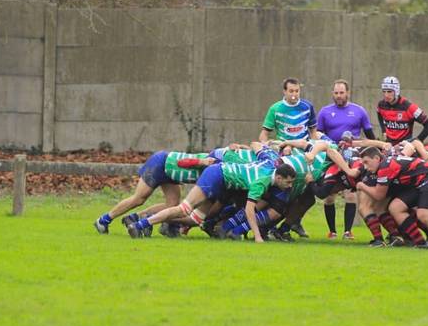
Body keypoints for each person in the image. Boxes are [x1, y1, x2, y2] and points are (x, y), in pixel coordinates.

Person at [127, 160, 295, 242]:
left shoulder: (270, 168)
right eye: (288, 182)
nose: (289, 186)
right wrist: (258, 237)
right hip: (216, 176)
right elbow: (249, 210)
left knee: (195, 219)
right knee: (184, 209)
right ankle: (140, 224)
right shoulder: (262, 181)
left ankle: (146, 221)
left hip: (223, 181)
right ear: (279, 177)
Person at [356, 146, 428, 251]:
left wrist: (361, 186)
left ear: (376, 158)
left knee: (424, 214)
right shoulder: (386, 162)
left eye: (366, 162)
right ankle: (421, 243)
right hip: (419, 182)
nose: (365, 167)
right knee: (395, 208)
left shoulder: (385, 166)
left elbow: (379, 195)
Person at [93, 149, 218, 235]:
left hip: (171, 175)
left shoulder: (220, 168)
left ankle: (137, 218)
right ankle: (103, 220)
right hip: (160, 164)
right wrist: (202, 162)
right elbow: (181, 162)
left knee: (173, 205)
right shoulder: (212, 162)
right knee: (139, 199)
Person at [258, 77, 318, 237]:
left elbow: (313, 133)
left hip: (303, 151)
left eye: (297, 91)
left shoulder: (307, 107)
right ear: (284, 91)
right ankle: (269, 225)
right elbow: (264, 134)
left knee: (308, 195)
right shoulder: (275, 108)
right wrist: (268, 147)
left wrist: (316, 149)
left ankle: (292, 222)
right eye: (291, 91)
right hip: (284, 151)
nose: (294, 94)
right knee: (285, 191)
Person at [316, 79, 375, 240]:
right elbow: (317, 135)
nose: (339, 96)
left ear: (347, 93)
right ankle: (332, 231)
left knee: (350, 194)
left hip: (352, 156)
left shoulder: (359, 111)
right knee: (329, 196)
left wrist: (377, 148)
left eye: (342, 92)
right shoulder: (324, 112)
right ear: (332, 94)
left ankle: (348, 231)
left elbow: (370, 135)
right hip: (331, 157)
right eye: (336, 93)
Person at [376, 76, 428, 145]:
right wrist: (384, 131)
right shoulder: (381, 105)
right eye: (384, 91)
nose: (386, 95)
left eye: (389, 91)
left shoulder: (409, 107)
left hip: (404, 147)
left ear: (396, 91)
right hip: (388, 146)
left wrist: (417, 141)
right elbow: (379, 114)